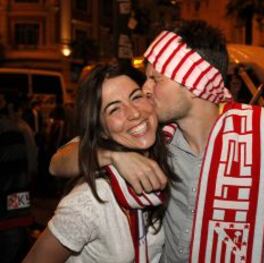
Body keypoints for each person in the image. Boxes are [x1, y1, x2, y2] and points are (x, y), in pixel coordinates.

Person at [49, 20, 264, 262]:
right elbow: (58, 162)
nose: (146, 88)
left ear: (194, 83)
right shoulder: (156, 136)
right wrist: (113, 156)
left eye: (156, 78)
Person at [23, 64, 177, 262]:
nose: (134, 113)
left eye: (136, 97)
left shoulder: (168, 156)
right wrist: (113, 156)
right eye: (114, 109)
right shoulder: (92, 199)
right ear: (102, 130)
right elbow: (55, 164)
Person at [0, 93, 34, 263]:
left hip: (9, 219)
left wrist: (19, 216)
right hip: (13, 218)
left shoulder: (12, 130)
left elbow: (18, 178)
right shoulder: (14, 129)